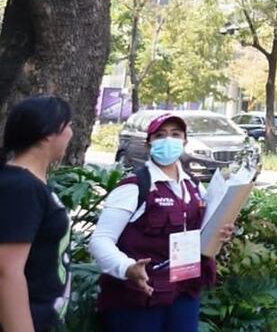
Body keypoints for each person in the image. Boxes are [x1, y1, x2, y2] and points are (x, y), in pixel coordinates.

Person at [89, 114, 232, 332]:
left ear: (185, 141)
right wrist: (127, 268)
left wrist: (218, 235)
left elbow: (202, 235)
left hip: (184, 293)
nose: (168, 140)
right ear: (148, 144)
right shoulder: (135, 187)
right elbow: (100, 241)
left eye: (175, 135)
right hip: (139, 298)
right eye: (160, 135)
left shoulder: (194, 187)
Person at [0, 96, 74, 332]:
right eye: (68, 125)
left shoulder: (31, 184)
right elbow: (6, 270)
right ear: (46, 134)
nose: (71, 133)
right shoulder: (20, 187)